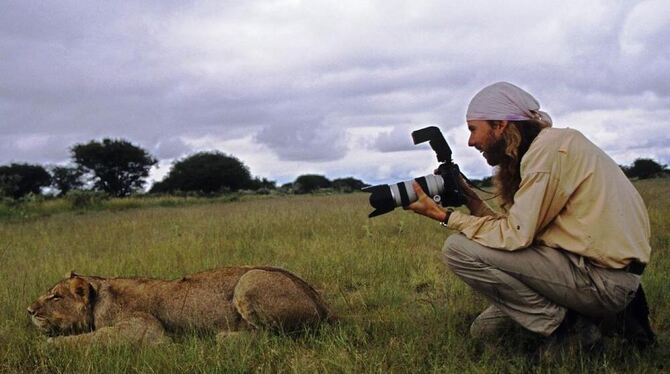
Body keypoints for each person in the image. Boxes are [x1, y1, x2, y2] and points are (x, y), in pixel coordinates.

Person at [407, 82, 654, 352]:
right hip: (589, 269)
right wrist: (472, 200)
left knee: (457, 249)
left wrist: (443, 216)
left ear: (500, 125)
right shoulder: (550, 147)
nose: (470, 141)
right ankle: (602, 320)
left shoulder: (547, 153)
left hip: (603, 281)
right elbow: (518, 228)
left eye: (473, 129)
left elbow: (515, 235)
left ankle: (570, 331)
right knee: (485, 331)